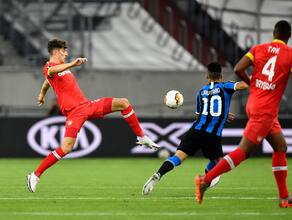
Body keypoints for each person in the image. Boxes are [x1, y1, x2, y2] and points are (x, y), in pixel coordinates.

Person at [195, 20, 292, 208]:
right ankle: (205, 179)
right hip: (265, 110)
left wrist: (253, 84)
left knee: (281, 147)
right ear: (289, 36)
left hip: (257, 104)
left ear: (274, 33)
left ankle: (284, 198)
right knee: (244, 151)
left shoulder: (258, 48)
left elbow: (238, 68)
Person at [27, 39, 160, 193]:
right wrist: (72, 64)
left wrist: (41, 95)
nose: (66, 53)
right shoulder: (49, 67)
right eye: (64, 50)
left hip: (87, 106)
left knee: (123, 103)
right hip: (74, 113)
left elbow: (46, 83)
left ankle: (141, 137)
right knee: (66, 148)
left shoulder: (60, 69)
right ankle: (35, 175)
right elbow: (50, 73)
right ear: (56, 51)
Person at [142, 62, 248, 195]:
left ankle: (158, 174)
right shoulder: (226, 87)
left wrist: (223, 114)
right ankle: (205, 179)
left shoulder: (201, 92)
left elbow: (199, 115)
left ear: (206, 76)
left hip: (195, 131)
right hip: (212, 135)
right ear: (221, 76)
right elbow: (245, 84)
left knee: (178, 157)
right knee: (220, 163)